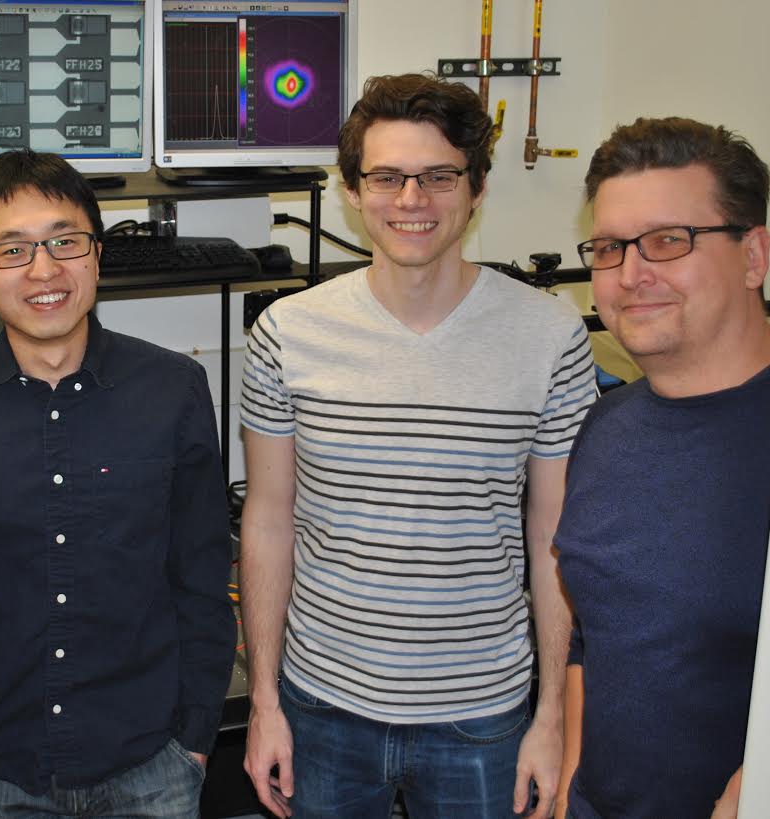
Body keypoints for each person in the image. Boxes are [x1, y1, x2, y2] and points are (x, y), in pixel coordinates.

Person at [239, 73, 598, 819]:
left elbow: (555, 539)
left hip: (483, 715)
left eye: (439, 176)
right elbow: (268, 521)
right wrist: (266, 702)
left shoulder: (550, 335)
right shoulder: (286, 333)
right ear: (352, 188)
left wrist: (552, 718)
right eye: (388, 177)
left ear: (477, 187)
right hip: (323, 705)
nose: (412, 200)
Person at [0, 149, 235, 818]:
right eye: (12, 250)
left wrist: (195, 739)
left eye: (65, 241)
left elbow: (201, 575)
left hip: (152, 768)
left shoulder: (174, 390)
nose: (45, 269)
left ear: (97, 255)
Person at [554, 117, 770, 819]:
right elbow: (594, 636)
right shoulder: (606, 425)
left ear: (753, 256)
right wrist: (568, 791)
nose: (631, 274)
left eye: (667, 241)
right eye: (610, 247)